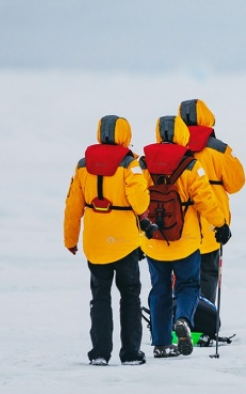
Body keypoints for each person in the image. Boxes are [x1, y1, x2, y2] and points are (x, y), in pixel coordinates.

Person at [139, 114, 231, 358]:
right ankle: (183, 320)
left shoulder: (142, 164)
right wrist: (221, 224)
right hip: (186, 241)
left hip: (154, 241)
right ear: (181, 134)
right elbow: (205, 200)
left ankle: (161, 343)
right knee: (188, 284)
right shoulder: (190, 165)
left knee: (159, 288)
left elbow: (134, 201)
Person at [63, 115, 150, 366]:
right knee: (130, 296)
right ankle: (131, 353)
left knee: (100, 297)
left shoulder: (82, 165)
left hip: (95, 242)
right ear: (124, 134)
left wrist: (70, 239)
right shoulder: (130, 164)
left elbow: (72, 207)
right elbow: (140, 203)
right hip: (124, 242)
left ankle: (100, 353)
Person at [179, 98, 245, 303]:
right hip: (211, 224)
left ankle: (179, 315)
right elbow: (237, 184)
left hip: (177, 223)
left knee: (180, 275)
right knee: (207, 273)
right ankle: (203, 318)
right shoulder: (220, 150)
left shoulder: (173, 149)